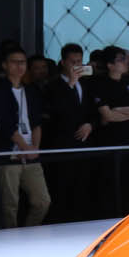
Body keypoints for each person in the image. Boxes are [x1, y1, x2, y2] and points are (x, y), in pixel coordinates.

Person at [0, 46, 52, 227]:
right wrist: (25, 147)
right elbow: (3, 123)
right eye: (14, 62)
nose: (19, 66)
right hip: (8, 154)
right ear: (4, 65)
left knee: (42, 201)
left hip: (31, 154)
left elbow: (37, 123)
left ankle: (28, 234)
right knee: (9, 204)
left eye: (23, 62)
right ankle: (10, 239)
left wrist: (34, 148)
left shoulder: (31, 90)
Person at [92, 46, 129, 213]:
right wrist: (128, 112)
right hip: (111, 141)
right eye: (121, 60)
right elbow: (107, 115)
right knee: (112, 183)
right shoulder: (99, 84)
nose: (125, 63)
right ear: (110, 65)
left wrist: (118, 110)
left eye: (125, 59)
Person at [43, 43, 96, 221]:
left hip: (84, 143)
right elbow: (57, 111)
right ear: (63, 62)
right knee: (62, 187)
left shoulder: (87, 83)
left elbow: (93, 110)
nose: (77, 65)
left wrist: (90, 124)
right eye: (73, 62)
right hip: (62, 144)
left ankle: (81, 220)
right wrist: (70, 84)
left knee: (83, 187)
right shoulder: (53, 86)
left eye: (79, 61)